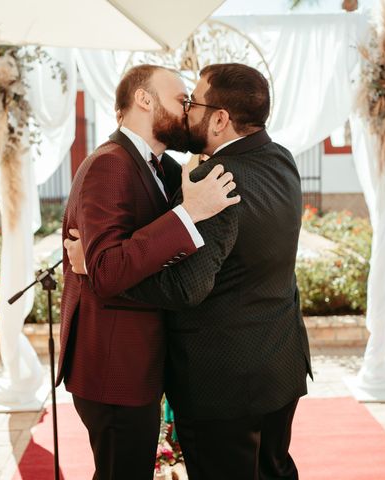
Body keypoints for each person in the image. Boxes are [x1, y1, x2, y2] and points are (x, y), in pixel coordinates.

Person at [67, 63, 312, 480]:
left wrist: (95, 267)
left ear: (220, 119)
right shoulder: (280, 159)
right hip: (280, 363)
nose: (186, 112)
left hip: (225, 378)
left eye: (192, 102)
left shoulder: (216, 179)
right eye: (183, 101)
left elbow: (186, 288)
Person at [57, 64, 239, 480]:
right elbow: (105, 272)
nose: (188, 110)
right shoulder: (110, 164)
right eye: (181, 100)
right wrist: (188, 213)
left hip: (134, 364)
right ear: (144, 99)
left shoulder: (161, 168)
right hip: (113, 368)